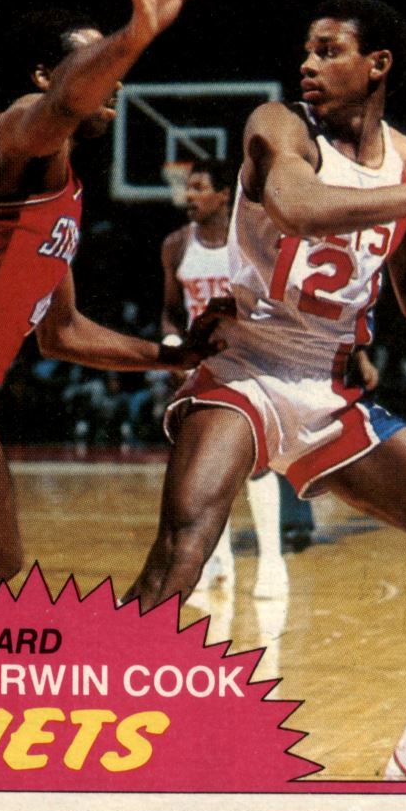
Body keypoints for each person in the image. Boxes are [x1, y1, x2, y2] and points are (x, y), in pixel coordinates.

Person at [121, 0, 406, 782]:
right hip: (241, 369)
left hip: (328, 391)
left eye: (329, 50)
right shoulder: (278, 125)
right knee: (183, 552)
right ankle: (96, 721)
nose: (308, 64)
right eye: (307, 50)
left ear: (378, 65)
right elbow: (298, 207)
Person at [0, 0, 209, 600]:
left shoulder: (63, 192)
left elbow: (62, 333)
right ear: (42, 75)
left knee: (2, 570)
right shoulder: (12, 131)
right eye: (96, 63)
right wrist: (134, 36)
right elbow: (64, 102)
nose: (114, 80)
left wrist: (171, 356)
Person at [160, 157, 288, 598]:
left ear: (223, 195)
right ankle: (218, 562)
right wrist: (173, 346)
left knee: (256, 463)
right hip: (201, 367)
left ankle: (272, 561)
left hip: (249, 361)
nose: (189, 195)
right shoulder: (176, 245)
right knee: (204, 466)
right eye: (188, 187)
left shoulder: (248, 242)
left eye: (199, 187)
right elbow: (170, 311)